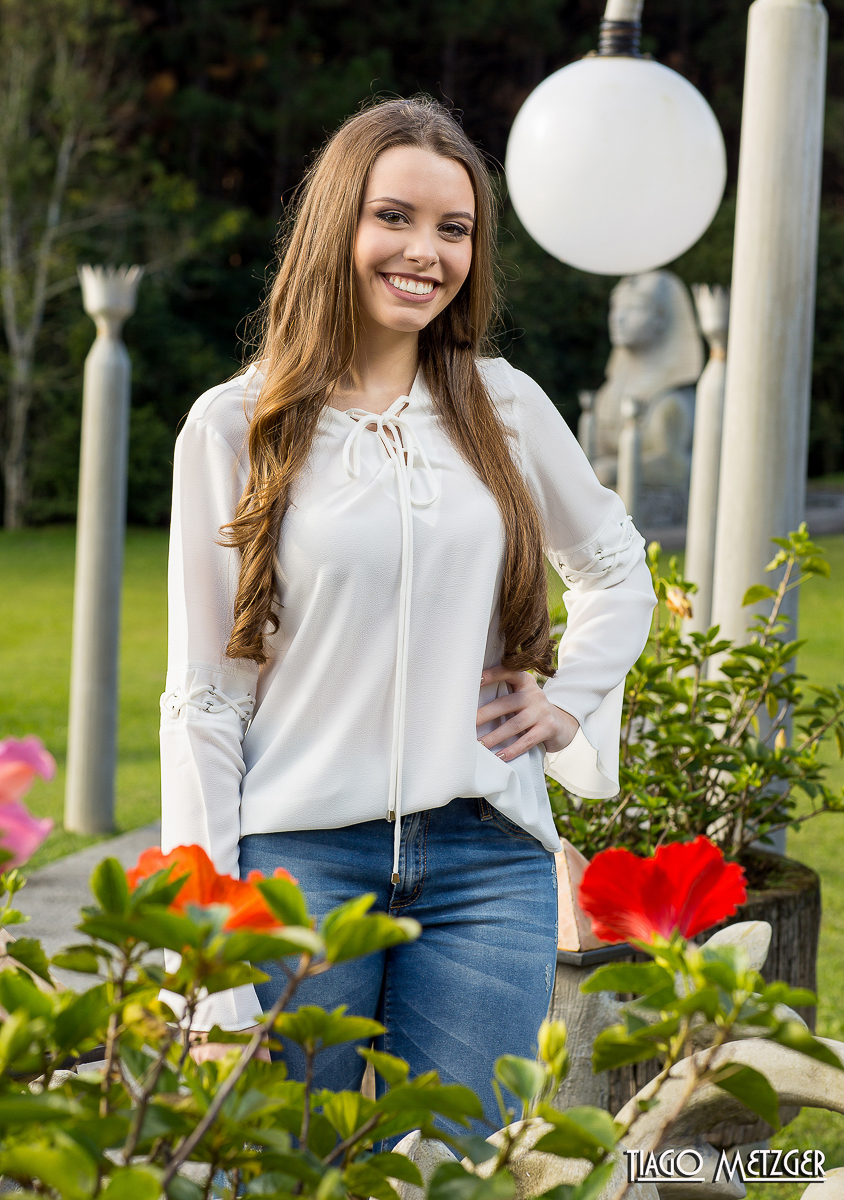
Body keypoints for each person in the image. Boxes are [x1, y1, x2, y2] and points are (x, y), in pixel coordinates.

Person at [159, 96, 656, 1130]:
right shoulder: (231, 428)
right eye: (395, 217)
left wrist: (566, 704)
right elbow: (205, 698)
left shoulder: (506, 405)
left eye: (454, 228)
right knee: (276, 1165)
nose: (424, 252)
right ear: (337, 223)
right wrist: (202, 948)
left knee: (466, 1169)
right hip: (298, 867)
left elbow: (615, 568)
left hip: (487, 868)